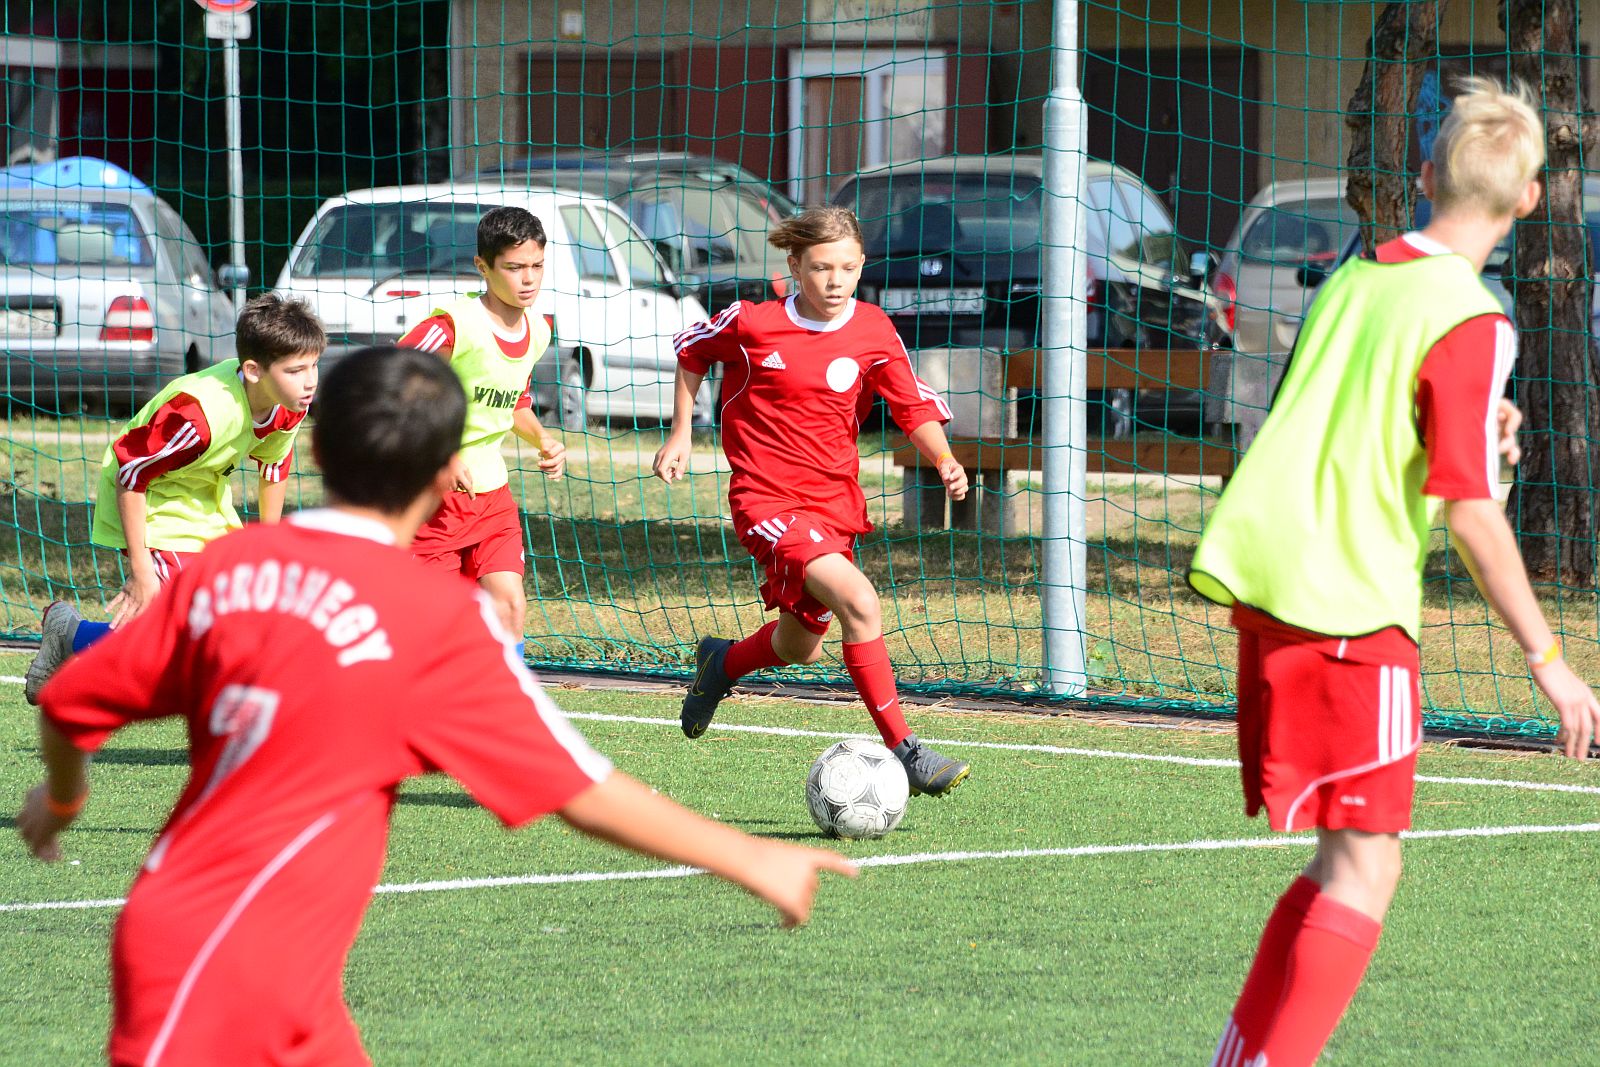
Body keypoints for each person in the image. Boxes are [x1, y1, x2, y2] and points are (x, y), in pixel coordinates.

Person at [15, 345, 856, 1067]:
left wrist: (61, 798)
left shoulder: (230, 570)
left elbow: (72, 701)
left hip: (240, 957)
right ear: (451, 471)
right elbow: (581, 789)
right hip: (222, 965)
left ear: (315, 446)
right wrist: (751, 857)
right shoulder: (437, 622)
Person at [1188, 78, 1600, 1067]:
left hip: (1267, 581)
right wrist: (1549, 658)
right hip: (1347, 604)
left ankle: (1241, 1056)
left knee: (1341, 856)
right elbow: (1470, 513)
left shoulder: (1360, 272)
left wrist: (1469, 416)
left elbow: (1359, 398)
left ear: (1423, 174)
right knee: (1367, 867)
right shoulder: (1472, 317)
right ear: (1534, 198)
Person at [653, 206, 972, 797]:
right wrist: (680, 431)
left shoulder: (874, 328)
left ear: (861, 268)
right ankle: (908, 752)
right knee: (860, 600)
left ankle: (719, 666)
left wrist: (943, 458)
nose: (834, 281)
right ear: (795, 265)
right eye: (821, 268)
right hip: (765, 498)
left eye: (847, 268)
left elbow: (911, 405)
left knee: (798, 645)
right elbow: (692, 350)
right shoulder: (752, 323)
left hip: (834, 503)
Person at [24, 293, 325, 704]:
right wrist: (142, 570)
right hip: (148, 496)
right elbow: (131, 473)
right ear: (253, 370)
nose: (311, 381)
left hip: (202, 494)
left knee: (231, 611)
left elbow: (274, 463)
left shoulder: (289, 401)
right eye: (296, 370)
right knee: (185, 632)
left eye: (314, 365)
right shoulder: (198, 416)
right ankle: (75, 640)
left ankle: (69, 634)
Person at [397, 205, 566, 657]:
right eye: (514, 268)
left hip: (491, 496)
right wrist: (441, 454)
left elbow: (514, 402)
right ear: (483, 267)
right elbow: (391, 383)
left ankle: (505, 712)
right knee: (433, 629)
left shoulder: (538, 330)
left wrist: (544, 440)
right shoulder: (452, 326)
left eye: (536, 266)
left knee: (509, 605)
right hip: (433, 498)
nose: (528, 279)